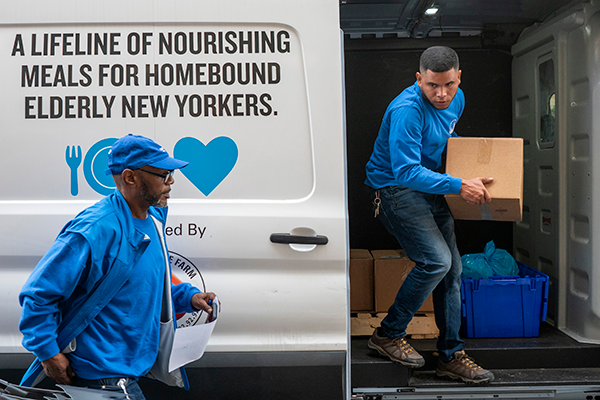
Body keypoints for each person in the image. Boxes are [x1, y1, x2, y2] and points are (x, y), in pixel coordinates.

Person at [19, 134, 217, 398]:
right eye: (163, 173)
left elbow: (140, 281)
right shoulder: (95, 229)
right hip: (102, 378)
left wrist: (188, 297)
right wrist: (48, 353)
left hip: (130, 369)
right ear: (130, 177)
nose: (171, 181)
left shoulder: (153, 218)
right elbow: (38, 294)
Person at [364, 46, 495, 383]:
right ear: (418, 79)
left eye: (449, 85)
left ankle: (450, 356)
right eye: (432, 86)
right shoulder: (407, 110)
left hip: (432, 186)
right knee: (437, 261)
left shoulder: (457, 98)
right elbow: (406, 171)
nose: (441, 94)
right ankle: (387, 334)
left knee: (453, 270)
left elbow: (444, 139)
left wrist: (472, 164)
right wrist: (457, 184)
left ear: (459, 77)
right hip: (396, 189)